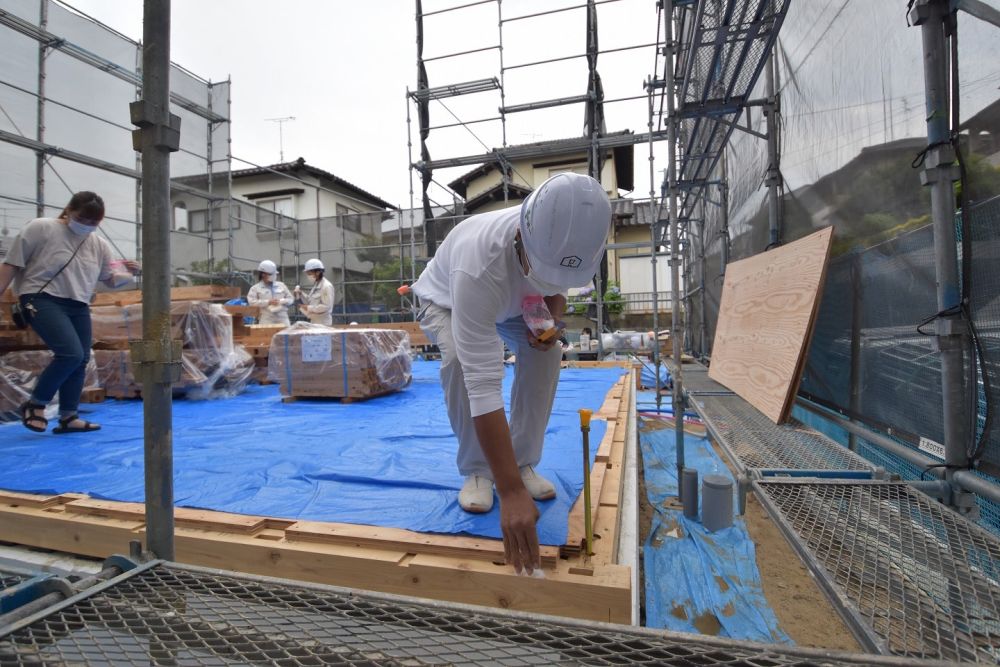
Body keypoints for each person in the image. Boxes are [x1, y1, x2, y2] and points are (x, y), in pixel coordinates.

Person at [411, 172, 611, 574]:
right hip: (449, 299)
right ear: (521, 236)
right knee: (458, 363)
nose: (553, 278)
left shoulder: (564, 237)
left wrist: (550, 324)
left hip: (515, 301)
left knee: (547, 353)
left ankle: (522, 460)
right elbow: (483, 385)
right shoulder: (477, 264)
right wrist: (510, 493)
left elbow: (555, 290)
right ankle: (477, 471)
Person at [0, 191, 140, 434]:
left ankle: (68, 416)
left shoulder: (98, 244)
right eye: (81, 219)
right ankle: (36, 404)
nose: (85, 226)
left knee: (81, 358)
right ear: (69, 211)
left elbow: (109, 279)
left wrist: (131, 273)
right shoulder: (41, 228)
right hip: (41, 298)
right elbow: (12, 263)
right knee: (70, 354)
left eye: (93, 223)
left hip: (78, 304)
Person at [246, 260, 293, 326]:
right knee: (267, 336)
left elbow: (291, 299)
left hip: (283, 318)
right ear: (263, 274)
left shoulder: (281, 285)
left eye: (274, 274)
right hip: (267, 319)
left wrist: (282, 301)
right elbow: (252, 302)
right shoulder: (255, 288)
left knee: (285, 336)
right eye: (271, 274)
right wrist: (268, 302)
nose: (274, 276)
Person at [294, 258, 334, 325]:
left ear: (318, 272)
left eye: (309, 273)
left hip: (323, 323)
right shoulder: (316, 284)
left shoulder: (326, 286)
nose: (308, 276)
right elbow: (310, 300)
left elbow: (326, 306)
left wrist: (308, 307)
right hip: (314, 321)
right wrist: (301, 294)